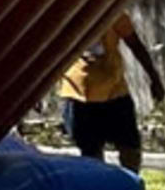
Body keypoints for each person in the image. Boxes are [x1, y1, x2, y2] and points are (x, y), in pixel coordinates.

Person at [57, 23, 141, 171]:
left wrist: (154, 77)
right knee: (91, 152)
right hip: (79, 94)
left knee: (130, 147)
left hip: (115, 91)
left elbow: (134, 43)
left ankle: (130, 187)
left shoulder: (112, 10)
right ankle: (100, 188)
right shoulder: (63, 14)